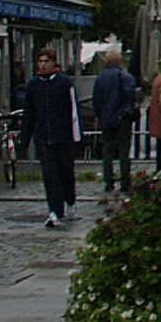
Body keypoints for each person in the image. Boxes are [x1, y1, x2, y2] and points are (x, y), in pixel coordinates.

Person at [21, 48, 81, 228]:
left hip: (63, 137)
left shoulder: (64, 83)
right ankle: (55, 211)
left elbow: (73, 111)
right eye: (40, 61)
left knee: (66, 173)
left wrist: (76, 137)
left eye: (46, 61)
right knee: (50, 176)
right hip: (43, 138)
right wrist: (24, 139)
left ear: (54, 63)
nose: (43, 65)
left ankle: (70, 201)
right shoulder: (33, 85)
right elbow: (29, 114)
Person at [92, 49, 139, 196]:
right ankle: (125, 182)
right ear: (119, 61)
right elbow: (131, 97)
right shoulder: (126, 77)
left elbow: (96, 100)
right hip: (122, 119)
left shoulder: (100, 78)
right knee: (124, 151)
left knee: (108, 151)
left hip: (106, 119)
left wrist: (101, 116)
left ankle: (108, 181)